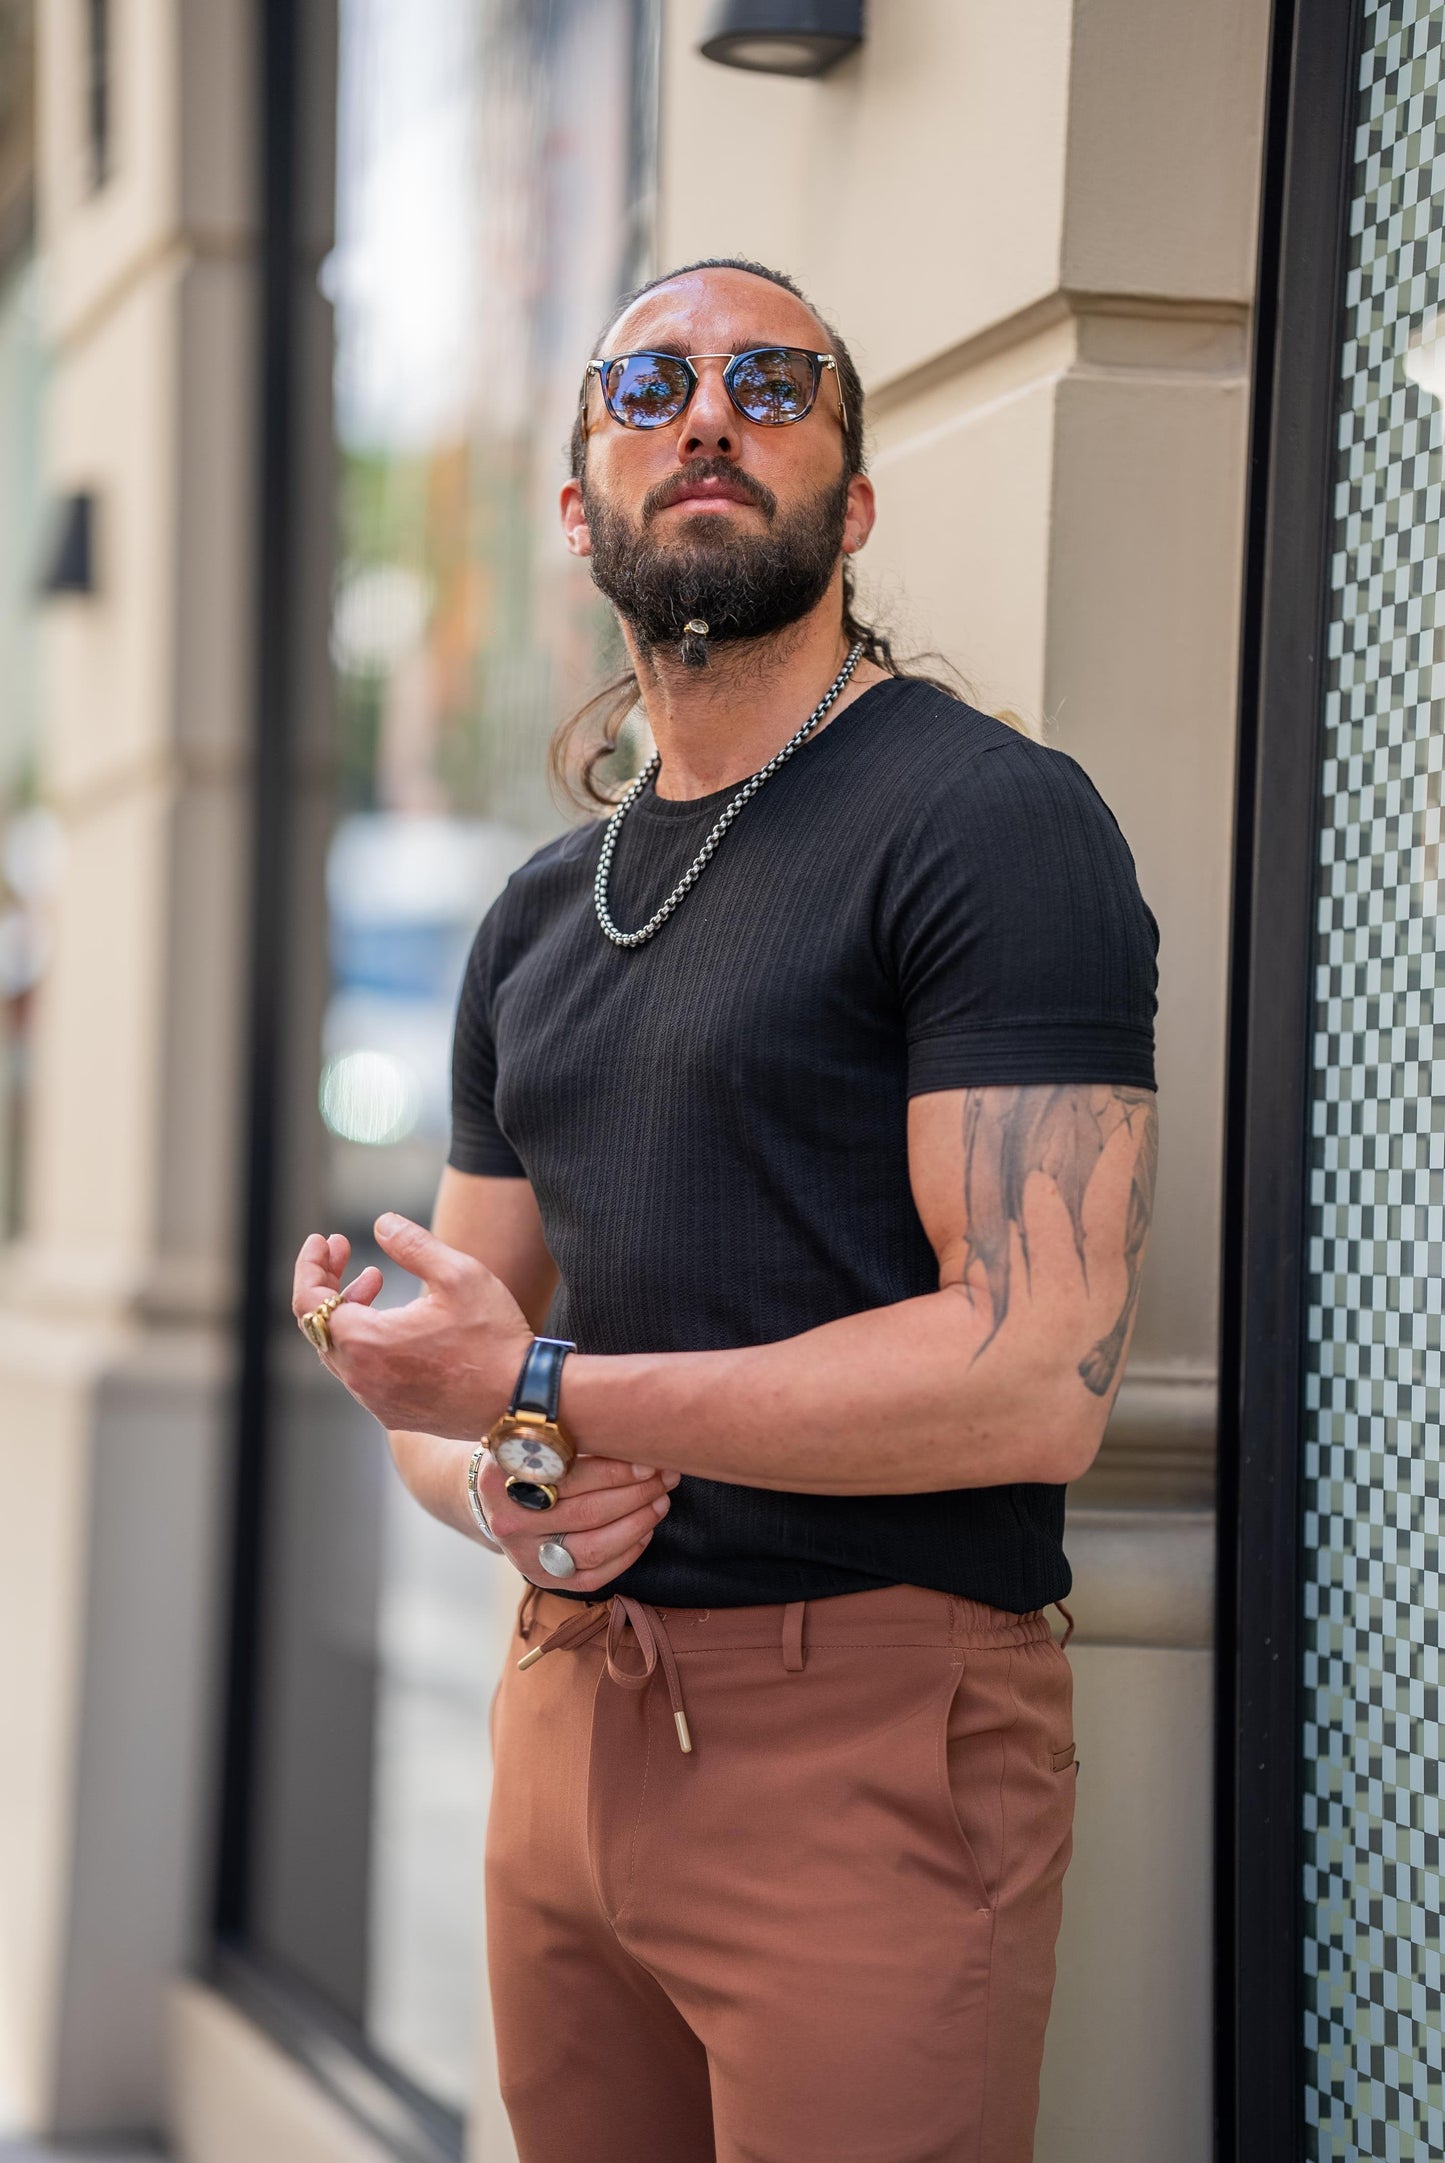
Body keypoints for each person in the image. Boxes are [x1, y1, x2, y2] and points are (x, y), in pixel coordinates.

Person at [292, 255, 1159, 2163]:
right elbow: (474, 1396)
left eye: (773, 387)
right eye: (653, 386)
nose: (708, 413)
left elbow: (1033, 1378)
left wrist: (548, 1387)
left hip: (863, 1730)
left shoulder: (987, 822)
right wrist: (512, 1479)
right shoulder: (538, 908)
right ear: (581, 500)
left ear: (850, 505)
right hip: (563, 1721)